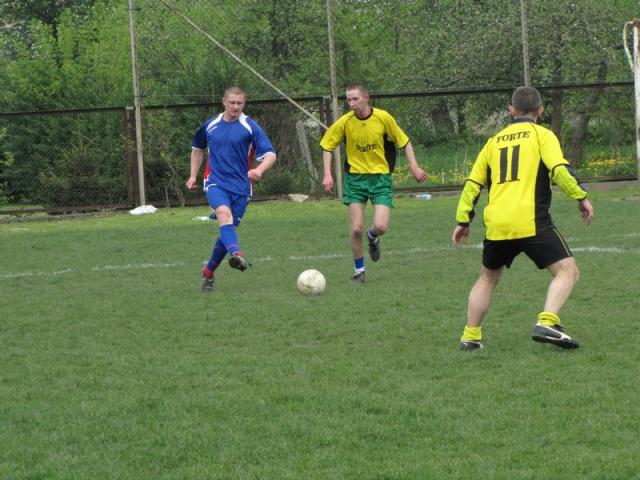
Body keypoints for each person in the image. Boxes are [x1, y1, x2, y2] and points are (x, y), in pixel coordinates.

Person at [452, 86, 594, 350]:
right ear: (541, 110)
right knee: (568, 271)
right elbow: (559, 169)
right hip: (530, 220)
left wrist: (463, 221)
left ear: (511, 110)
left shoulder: (493, 142)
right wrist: (581, 196)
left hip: (497, 224)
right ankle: (547, 322)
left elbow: (472, 185)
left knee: (487, 278)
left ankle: (470, 337)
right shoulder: (542, 135)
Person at [320, 82, 428, 283]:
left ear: (366, 98)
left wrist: (414, 167)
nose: (352, 103)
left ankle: (372, 237)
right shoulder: (345, 122)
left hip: (380, 179)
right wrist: (327, 174)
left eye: (355, 99)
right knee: (356, 229)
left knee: (381, 226)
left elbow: (405, 142)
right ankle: (359, 272)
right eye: (348, 100)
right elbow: (327, 146)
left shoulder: (383, 118)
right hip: (355, 180)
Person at [186, 86, 276, 292]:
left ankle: (208, 272)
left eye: (239, 103)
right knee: (223, 215)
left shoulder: (249, 126)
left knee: (227, 230)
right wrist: (192, 176)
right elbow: (197, 148)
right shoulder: (211, 125)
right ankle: (237, 254)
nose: (236, 107)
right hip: (215, 182)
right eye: (232, 103)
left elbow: (270, 154)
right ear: (223, 102)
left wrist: (259, 170)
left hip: (241, 187)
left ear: (244, 104)